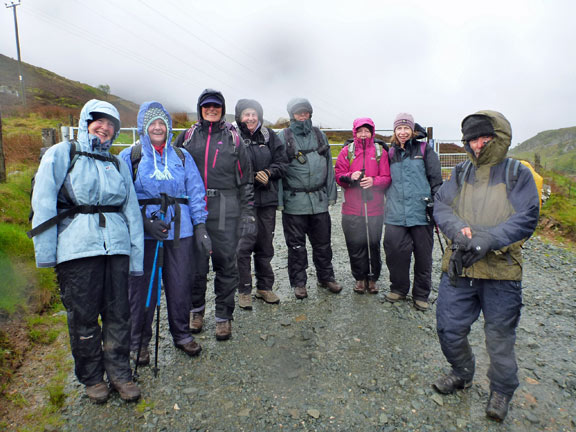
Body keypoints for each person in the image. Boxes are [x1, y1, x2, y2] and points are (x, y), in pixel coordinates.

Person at [29, 99, 144, 404]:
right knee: (83, 318)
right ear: (85, 121)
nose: (105, 127)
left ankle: (120, 373)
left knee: (119, 314)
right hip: (77, 250)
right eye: (99, 120)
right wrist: (47, 256)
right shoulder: (61, 154)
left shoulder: (118, 164)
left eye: (111, 124)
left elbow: (130, 211)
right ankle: (92, 377)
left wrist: (136, 258)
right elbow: (42, 205)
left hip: (116, 248)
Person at [432, 110, 540, 421]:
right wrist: (457, 230)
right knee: (448, 328)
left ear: (500, 138)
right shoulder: (462, 172)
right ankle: (462, 372)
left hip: (501, 271)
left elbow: (526, 217)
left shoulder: (517, 173)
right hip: (461, 265)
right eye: (472, 139)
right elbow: (441, 204)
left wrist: (488, 239)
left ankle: (501, 390)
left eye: (484, 137)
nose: (478, 144)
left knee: (499, 336)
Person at [119, 102, 209, 364]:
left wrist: (201, 225)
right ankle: (139, 342)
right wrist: (144, 223)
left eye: (162, 123)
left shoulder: (182, 156)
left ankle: (181, 334)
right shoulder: (130, 156)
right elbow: (123, 196)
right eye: (152, 123)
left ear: (168, 128)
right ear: (143, 128)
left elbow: (195, 190)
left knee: (180, 283)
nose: (158, 127)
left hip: (181, 230)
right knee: (141, 287)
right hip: (144, 233)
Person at [174, 89, 255, 341]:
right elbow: (174, 172)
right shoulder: (186, 137)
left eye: (216, 106)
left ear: (222, 108)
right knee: (196, 267)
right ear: (200, 108)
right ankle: (196, 311)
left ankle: (223, 317)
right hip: (194, 211)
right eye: (207, 106)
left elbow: (246, 179)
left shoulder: (233, 138)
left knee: (225, 265)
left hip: (225, 211)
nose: (211, 109)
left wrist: (248, 214)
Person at [277, 97, 341, 299]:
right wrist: (279, 202)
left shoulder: (320, 135)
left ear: (310, 114)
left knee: (323, 243)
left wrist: (331, 195)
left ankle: (326, 277)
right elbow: (278, 171)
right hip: (294, 202)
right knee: (296, 246)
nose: (302, 116)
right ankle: (299, 282)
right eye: (298, 113)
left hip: (319, 202)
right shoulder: (283, 137)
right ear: (291, 116)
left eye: (306, 112)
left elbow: (329, 168)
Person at [383, 113, 443, 310]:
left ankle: (421, 294)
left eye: (406, 128)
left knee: (423, 256)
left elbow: (436, 181)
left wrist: (436, 204)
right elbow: (384, 180)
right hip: (395, 213)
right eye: (398, 129)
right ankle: (399, 288)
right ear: (394, 132)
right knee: (395, 254)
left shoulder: (425, 150)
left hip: (421, 212)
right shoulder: (389, 153)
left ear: (412, 130)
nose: (402, 132)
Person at [234, 99, 288, 309]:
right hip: (242, 201)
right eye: (246, 114)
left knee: (265, 245)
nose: (250, 118)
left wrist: (269, 173)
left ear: (259, 115)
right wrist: (251, 176)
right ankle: (244, 289)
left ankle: (264, 287)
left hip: (266, 200)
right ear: (239, 116)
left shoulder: (269, 136)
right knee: (243, 246)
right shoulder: (233, 136)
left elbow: (283, 162)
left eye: (253, 114)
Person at [335, 118, 391, 294]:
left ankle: (373, 278)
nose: (363, 134)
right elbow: (338, 175)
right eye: (360, 131)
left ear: (372, 132)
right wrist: (351, 176)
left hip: (374, 207)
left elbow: (387, 177)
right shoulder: (347, 151)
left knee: (373, 243)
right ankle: (359, 278)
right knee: (355, 244)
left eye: (367, 131)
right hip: (352, 208)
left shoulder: (380, 152)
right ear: (355, 132)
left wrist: (373, 181)